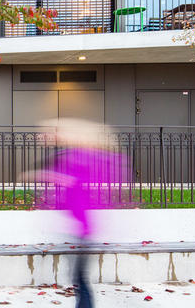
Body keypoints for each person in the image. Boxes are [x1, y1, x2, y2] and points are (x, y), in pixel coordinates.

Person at [32, 119, 128, 308]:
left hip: (84, 228)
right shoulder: (75, 156)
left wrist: (55, 177)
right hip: (81, 227)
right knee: (79, 277)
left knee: (80, 278)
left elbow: (74, 181)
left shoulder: (81, 157)